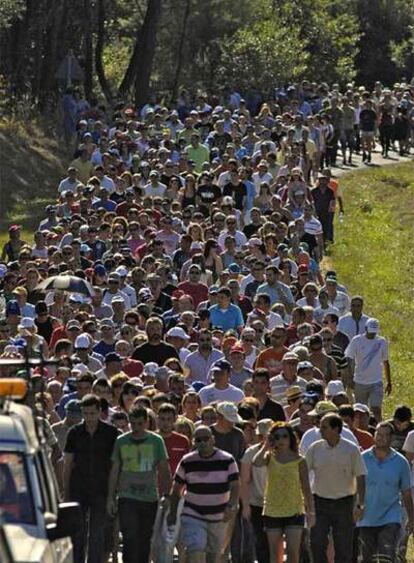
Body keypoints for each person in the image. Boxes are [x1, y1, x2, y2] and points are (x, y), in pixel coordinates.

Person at [107, 405, 171, 563]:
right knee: (130, 536)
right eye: (133, 423)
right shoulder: (121, 441)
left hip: (149, 497)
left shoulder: (156, 441)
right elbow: (115, 470)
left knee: (144, 537)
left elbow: (164, 470)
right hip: (127, 496)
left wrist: (166, 494)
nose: (136, 428)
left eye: (140, 423)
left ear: (147, 423)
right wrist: (110, 497)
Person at [167, 425, 240, 563]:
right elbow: (176, 489)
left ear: (213, 440)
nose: (203, 443)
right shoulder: (187, 461)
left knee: (214, 556)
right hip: (193, 514)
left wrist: (231, 506)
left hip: (219, 517)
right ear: (194, 442)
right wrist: (172, 513)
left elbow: (235, 486)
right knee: (196, 551)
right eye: (198, 440)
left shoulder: (227, 460)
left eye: (206, 439)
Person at [63, 394, 119, 563]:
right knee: (78, 534)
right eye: (85, 413)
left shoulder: (110, 433)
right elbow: (67, 464)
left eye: (92, 413)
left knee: (97, 534)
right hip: (78, 489)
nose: (89, 417)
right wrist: (66, 493)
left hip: (101, 489)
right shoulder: (74, 432)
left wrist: (112, 495)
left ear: (100, 412)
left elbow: (115, 465)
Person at [305, 413, 367, 563]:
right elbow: (303, 473)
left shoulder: (351, 449)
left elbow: (361, 476)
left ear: (336, 429)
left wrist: (360, 504)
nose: (320, 431)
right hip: (319, 502)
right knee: (317, 542)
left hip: (344, 503)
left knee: (344, 547)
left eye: (324, 427)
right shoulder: (315, 448)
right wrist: (306, 500)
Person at [252, 421, 314, 563]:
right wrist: (266, 445)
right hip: (272, 509)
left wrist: (311, 510)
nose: (281, 440)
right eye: (277, 437)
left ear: (290, 438)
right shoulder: (269, 457)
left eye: (284, 436)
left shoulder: (300, 460)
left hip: (294, 509)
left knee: (293, 553)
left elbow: (306, 487)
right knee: (275, 554)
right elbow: (256, 462)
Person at [358, 422, 414, 563]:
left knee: (385, 555)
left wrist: (412, 519)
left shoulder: (401, 463)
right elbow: (353, 486)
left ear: (392, 438)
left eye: (385, 435)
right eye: (378, 434)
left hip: (390, 517)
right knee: (367, 557)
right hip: (366, 517)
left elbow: (406, 493)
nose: (380, 438)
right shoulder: (362, 458)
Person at [345, 317, 391, 421]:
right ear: (365, 329)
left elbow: (386, 362)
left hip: (376, 381)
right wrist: (350, 377)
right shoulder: (357, 340)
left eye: (374, 333)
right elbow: (349, 359)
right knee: (360, 411)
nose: (372, 335)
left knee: (376, 409)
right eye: (370, 332)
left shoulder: (382, 341)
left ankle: (379, 429)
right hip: (360, 382)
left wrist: (389, 382)